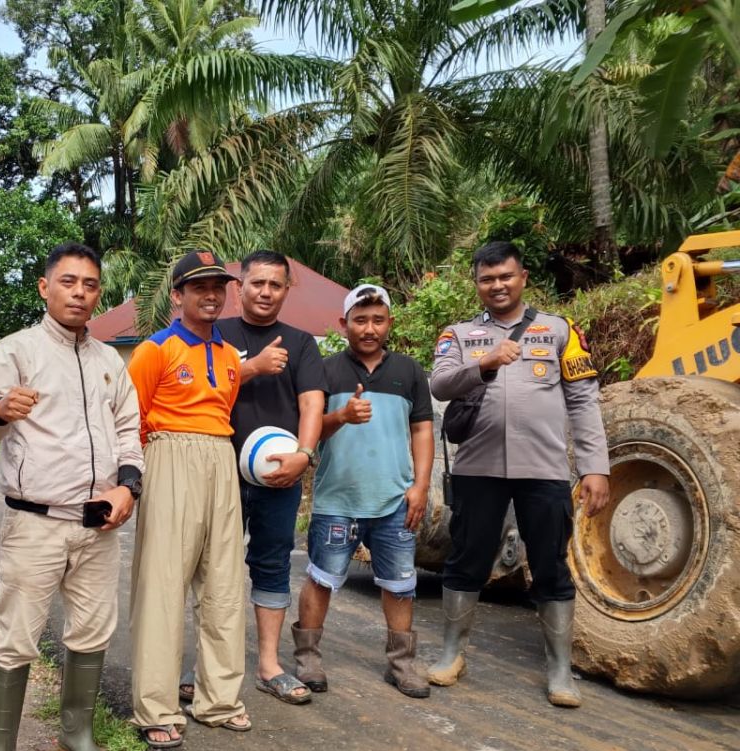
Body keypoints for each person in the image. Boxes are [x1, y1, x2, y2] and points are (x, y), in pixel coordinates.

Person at [0, 242, 143, 751]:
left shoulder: (110, 360)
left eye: (90, 285)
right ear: (46, 288)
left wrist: (128, 487)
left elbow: (128, 430)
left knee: (92, 632)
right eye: (68, 282)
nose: (80, 293)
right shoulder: (15, 351)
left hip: (98, 524)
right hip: (34, 523)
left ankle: (77, 731)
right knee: (17, 638)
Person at [429, 241, 610, 708]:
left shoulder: (559, 330)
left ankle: (560, 670)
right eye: (487, 279)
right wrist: (482, 363)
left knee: (550, 564)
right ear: (477, 285)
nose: (497, 286)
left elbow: (584, 401)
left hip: (544, 469)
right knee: (467, 558)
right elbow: (440, 384)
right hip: (477, 468)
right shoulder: (459, 334)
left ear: (523, 277)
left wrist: (595, 467)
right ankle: (451, 653)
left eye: (505, 276)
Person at [128, 249, 249, 748]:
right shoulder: (154, 350)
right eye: (199, 287)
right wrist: (130, 482)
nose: (211, 294)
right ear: (177, 296)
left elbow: (225, 411)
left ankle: (218, 700)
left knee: (224, 582)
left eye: (218, 286)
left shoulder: (229, 357)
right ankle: (156, 706)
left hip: (221, 457)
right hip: (168, 454)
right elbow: (129, 421)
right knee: (162, 585)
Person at [294, 285, 434, 698]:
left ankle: (402, 664)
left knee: (400, 584)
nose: (369, 328)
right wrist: (341, 415)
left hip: (395, 499)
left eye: (377, 320)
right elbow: (309, 430)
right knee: (322, 578)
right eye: (360, 319)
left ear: (389, 323)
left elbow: (422, 430)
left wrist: (421, 486)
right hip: (338, 499)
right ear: (344, 324)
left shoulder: (409, 371)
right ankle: (308, 657)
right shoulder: (324, 369)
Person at [205, 250, 325, 705]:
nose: (266, 292)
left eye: (276, 285)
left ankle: (270, 666)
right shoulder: (216, 333)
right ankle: (208, 666)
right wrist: (248, 368)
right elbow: (196, 390)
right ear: (240, 286)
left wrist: (304, 455)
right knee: (214, 567)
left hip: (281, 475)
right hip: (218, 471)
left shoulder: (301, 342)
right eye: (258, 283)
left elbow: (313, 403)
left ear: (286, 289)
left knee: (272, 565)